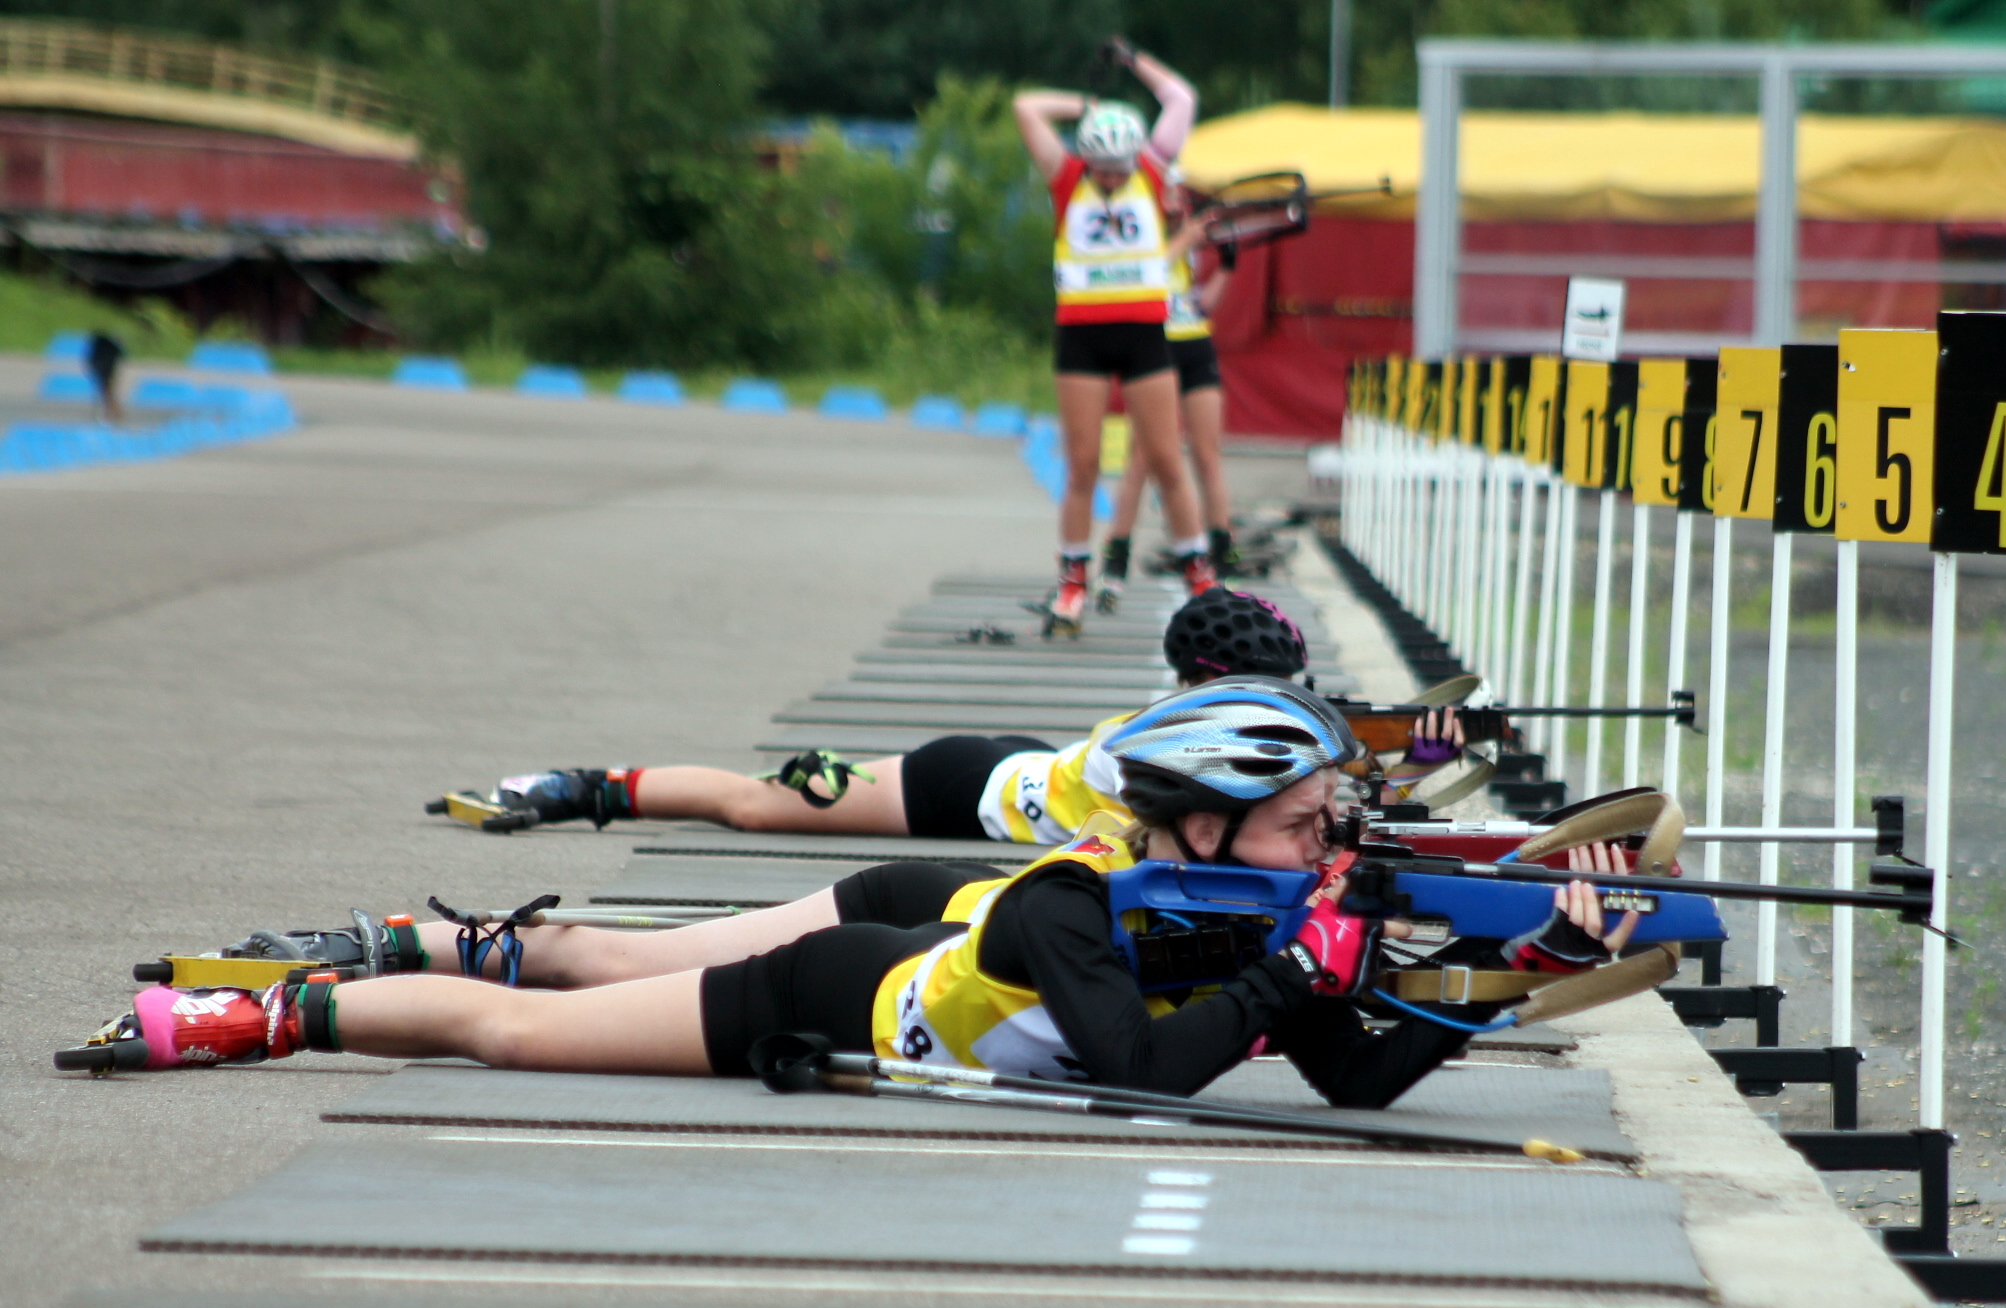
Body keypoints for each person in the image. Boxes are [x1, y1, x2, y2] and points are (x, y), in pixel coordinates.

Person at [61, 680, 1642, 1102]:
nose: (1322, 853)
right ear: (1209, 828)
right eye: (1302, 828)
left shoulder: (1250, 919)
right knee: (526, 1037)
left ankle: (390, 967)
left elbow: (1358, 1085)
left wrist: (1509, 978)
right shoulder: (1067, 909)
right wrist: (1304, 975)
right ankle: (263, 1018)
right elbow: (1145, 1072)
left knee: (569, 998)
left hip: (913, 987)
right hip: (844, 994)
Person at [435, 589, 1316, 845]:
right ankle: (576, 789)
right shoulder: (1144, 753)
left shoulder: (1195, 728)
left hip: (1027, 765)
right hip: (964, 785)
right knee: (753, 804)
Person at [1015, 40, 1216, 637]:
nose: (1110, 178)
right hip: (1081, 336)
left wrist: (1132, 62)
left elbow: (1181, 97)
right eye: (1102, 167)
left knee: (1165, 460)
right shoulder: (1067, 175)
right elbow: (1027, 107)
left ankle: (1200, 576)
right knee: (1081, 464)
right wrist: (1086, 104)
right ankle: (1073, 581)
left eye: (1118, 168)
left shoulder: (1150, 167)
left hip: (1144, 335)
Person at [1098, 169, 1238, 611]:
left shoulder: (1186, 233)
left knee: (1207, 453)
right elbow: (1144, 273)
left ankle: (1219, 554)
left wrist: (1227, 266)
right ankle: (1115, 561)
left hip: (1194, 342)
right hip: (1154, 347)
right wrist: (1186, 239)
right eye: (1169, 194)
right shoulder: (1138, 229)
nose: (1176, 203)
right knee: (1144, 458)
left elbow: (1199, 301)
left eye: (1180, 195)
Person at [85, 330, 123, 425]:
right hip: (105, 366)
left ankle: (112, 411)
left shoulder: (101, 348)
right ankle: (112, 411)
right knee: (106, 389)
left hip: (103, 366)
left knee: (106, 389)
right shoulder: (106, 348)